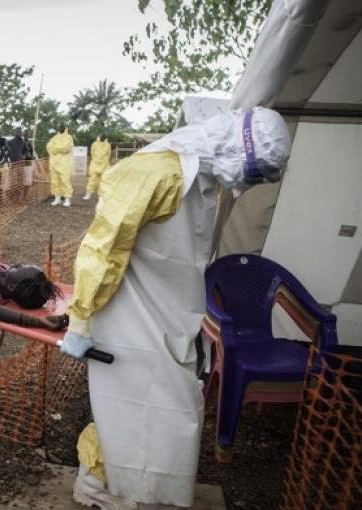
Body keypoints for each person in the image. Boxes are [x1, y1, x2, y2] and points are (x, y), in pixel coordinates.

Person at [59, 107, 292, 509]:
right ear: (237, 147)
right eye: (252, 172)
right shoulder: (155, 172)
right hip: (125, 318)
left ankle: (138, 490)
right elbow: (104, 248)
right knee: (123, 411)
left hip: (171, 320)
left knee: (168, 415)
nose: (247, 182)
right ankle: (99, 486)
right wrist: (80, 319)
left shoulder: (204, 177)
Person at [46, 122, 74, 207]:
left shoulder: (69, 137)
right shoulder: (54, 138)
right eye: (59, 126)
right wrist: (60, 149)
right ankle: (57, 199)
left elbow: (66, 148)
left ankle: (67, 199)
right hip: (54, 164)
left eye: (62, 126)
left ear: (66, 128)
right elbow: (50, 148)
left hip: (65, 164)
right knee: (55, 182)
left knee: (65, 181)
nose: (60, 127)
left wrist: (57, 149)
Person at [83, 133, 110, 200]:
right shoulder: (94, 144)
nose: (102, 138)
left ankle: (102, 196)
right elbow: (92, 153)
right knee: (92, 180)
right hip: (95, 164)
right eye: (101, 136)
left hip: (104, 165)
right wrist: (96, 161)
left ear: (105, 138)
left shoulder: (108, 145)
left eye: (103, 137)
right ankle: (88, 195)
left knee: (104, 181)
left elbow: (108, 155)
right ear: (99, 137)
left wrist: (104, 162)